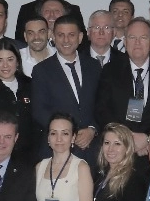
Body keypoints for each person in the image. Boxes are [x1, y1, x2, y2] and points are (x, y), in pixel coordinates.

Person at [92, 18, 150, 158]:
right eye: (132, 37)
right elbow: (102, 109)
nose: (137, 42)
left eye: (143, 38)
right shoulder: (110, 70)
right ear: (125, 42)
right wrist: (126, 138)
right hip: (118, 150)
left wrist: (148, 138)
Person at [33, 17, 101, 158]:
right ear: (53, 37)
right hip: (57, 148)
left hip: (91, 147)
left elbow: (102, 104)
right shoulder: (41, 70)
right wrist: (68, 133)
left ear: (80, 37)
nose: (66, 40)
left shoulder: (94, 66)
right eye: (60, 35)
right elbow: (39, 111)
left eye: (71, 35)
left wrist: (93, 129)